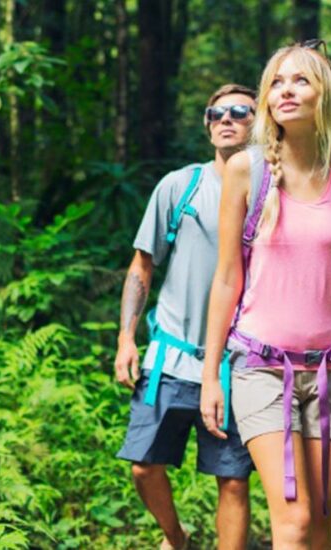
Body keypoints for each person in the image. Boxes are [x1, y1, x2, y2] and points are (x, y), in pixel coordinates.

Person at [198, 40, 331, 550]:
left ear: (324, 94)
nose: (286, 90)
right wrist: (210, 376)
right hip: (262, 368)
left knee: (324, 528)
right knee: (295, 522)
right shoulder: (247, 170)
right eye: (277, 82)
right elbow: (226, 279)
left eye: (300, 80)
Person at [115, 84, 261, 550]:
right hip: (173, 357)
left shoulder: (270, 191)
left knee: (234, 481)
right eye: (216, 112)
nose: (226, 118)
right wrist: (126, 338)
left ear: (259, 124)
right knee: (143, 465)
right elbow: (142, 263)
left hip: (238, 364)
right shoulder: (181, 186)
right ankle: (176, 538)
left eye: (240, 111)